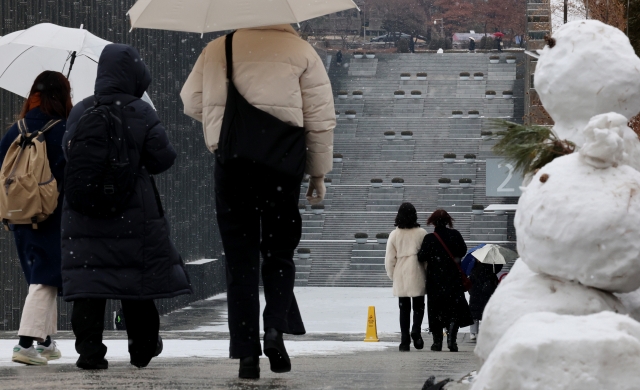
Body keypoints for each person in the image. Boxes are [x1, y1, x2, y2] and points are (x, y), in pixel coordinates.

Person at [181, 24, 335, 379]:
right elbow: (320, 119)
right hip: (282, 167)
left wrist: (227, 126)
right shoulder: (302, 51)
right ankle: (275, 329)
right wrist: (318, 173)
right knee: (279, 252)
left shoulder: (219, 47)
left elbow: (191, 101)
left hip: (233, 164)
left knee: (240, 260)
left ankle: (246, 353)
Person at [62, 44, 191, 370]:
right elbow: (164, 159)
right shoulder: (141, 111)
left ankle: (90, 352)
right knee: (136, 285)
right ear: (135, 74)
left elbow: (68, 155)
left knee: (88, 286)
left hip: (84, 215)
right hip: (132, 215)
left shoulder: (80, 111)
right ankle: (142, 348)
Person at [0, 71, 70, 365]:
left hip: (18, 212)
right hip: (50, 212)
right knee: (45, 276)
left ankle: (47, 342)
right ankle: (25, 344)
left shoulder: (16, 129)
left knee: (41, 274)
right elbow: (69, 174)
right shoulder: (64, 129)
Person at [418, 209, 473, 352]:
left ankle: (437, 342)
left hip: (435, 282)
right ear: (448, 221)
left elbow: (421, 257)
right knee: (453, 311)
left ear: (433, 222)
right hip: (453, 280)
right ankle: (452, 340)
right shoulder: (455, 235)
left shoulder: (430, 238)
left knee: (436, 311)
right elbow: (462, 251)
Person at [385, 203, 427, 351]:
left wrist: (392, 275)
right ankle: (416, 330)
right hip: (417, 272)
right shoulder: (422, 233)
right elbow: (426, 257)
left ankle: (404, 341)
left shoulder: (394, 234)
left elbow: (390, 259)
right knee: (419, 306)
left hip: (401, 274)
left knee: (404, 309)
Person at [468, 256, 503, 341]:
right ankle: (475, 333)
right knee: (477, 315)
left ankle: (477, 333)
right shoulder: (479, 269)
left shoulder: (489, 268)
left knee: (480, 314)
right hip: (479, 294)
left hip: (481, 294)